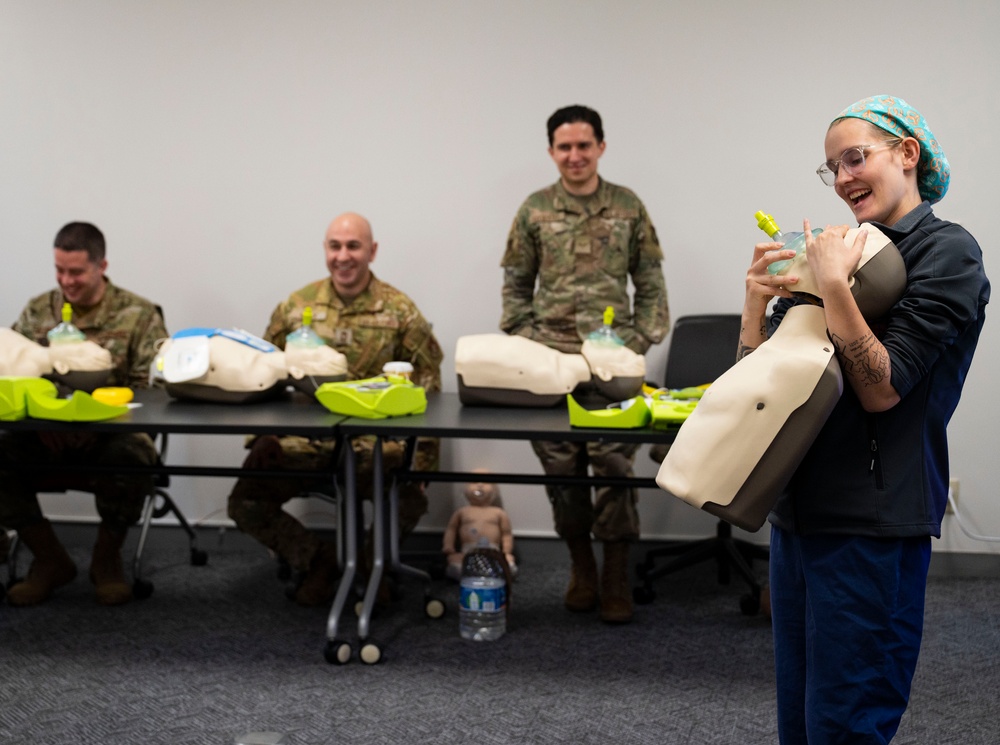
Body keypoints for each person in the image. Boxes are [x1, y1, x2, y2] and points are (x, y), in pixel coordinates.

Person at [740, 95, 989, 743]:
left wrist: (833, 287)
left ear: (908, 153)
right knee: (800, 717)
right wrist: (754, 303)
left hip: (871, 521)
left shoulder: (948, 253)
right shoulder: (839, 249)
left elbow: (882, 387)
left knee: (848, 720)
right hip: (798, 512)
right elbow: (756, 387)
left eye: (856, 157)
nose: (845, 177)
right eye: (832, 167)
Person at [500, 105, 669, 623]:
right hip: (550, 368)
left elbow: (652, 287)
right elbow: (514, 292)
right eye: (564, 147)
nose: (574, 155)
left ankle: (615, 573)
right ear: (552, 151)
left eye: (583, 145)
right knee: (561, 471)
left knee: (614, 468)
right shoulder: (533, 210)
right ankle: (581, 568)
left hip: (609, 368)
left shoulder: (627, 206)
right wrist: (534, 347)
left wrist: (634, 344)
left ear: (600, 146)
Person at [227, 212, 443, 607]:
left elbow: (428, 388)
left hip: (374, 448)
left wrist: (423, 460)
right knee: (245, 500)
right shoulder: (296, 308)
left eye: (353, 246)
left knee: (411, 498)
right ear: (325, 250)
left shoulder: (399, 311)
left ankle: (368, 568)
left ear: (372, 251)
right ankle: (320, 562)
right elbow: (261, 376)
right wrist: (262, 437)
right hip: (304, 445)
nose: (343, 256)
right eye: (335, 246)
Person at [0, 222, 168, 606]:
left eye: (76, 272)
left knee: (136, 454)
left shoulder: (137, 314)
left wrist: (96, 427)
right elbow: (11, 375)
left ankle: (106, 560)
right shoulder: (38, 310)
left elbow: (153, 390)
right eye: (59, 270)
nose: (66, 281)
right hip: (43, 435)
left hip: (110, 437)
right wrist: (42, 425)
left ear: (101, 265)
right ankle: (49, 559)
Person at [442, 473, 516, 581]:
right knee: (453, 559)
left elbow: (506, 533)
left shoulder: (498, 512)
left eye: (485, 482)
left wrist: (506, 550)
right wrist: (448, 546)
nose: (480, 485)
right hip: (467, 550)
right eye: (475, 482)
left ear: (494, 490)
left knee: (508, 560)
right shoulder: (462, 511)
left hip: (493, 550)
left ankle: (498, 571)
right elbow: (451, 529)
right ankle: (464, 571)